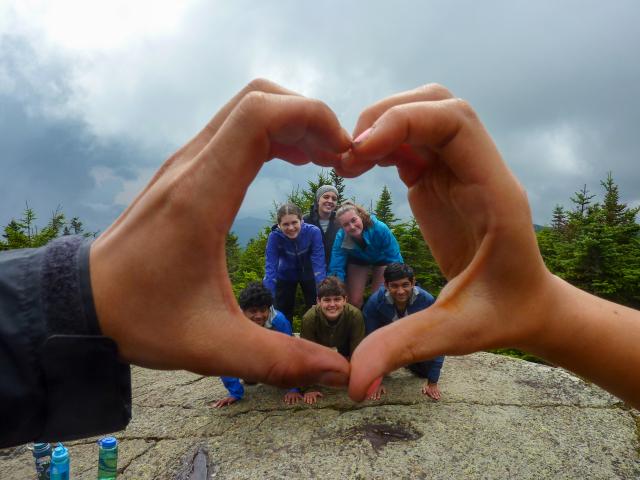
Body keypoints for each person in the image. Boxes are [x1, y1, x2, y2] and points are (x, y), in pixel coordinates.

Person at [1, 79, 639, 449]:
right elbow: (321, 258)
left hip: (377, 260)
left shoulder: (374, 229)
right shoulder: (320, 233)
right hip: (342, 264)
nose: (340, 210)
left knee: (365, 287)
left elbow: (370, 253)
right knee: (332, 284)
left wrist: (75, 296)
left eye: (344, 207)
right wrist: (549, 312)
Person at [362, 263, 444, 401]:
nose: (400, 291)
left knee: (425, 371)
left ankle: (408, 363)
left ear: (413, 282)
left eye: (405, 285)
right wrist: (375, 381)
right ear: (386, 285)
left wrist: (433, 382)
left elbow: (439, 340)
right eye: (394, 286)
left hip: (413, 343)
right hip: (386, 346)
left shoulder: (426, 300)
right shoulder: (375, 303)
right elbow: (369, 342)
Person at [212, 282, 303, 407]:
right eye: (253, 311)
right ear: (243, 311)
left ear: (269, 308)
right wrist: (234, 393)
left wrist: (293, 388)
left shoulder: (279, 321)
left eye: (263, 310)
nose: (259, 316)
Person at [300, 276, 365, 404]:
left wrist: (359, 381)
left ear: (345, 300)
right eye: (327, 300)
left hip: (345, 346)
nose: (332, 305)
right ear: (318, 301)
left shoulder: (355, 315)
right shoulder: (309, 318)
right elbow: (305, 356)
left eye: (337, 299)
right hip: (318, 348)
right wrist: (309, 388)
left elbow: (358, 353)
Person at [328, 201, 403, 308]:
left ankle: (377, 323)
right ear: (342, 227)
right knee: (354, 301)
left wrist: (400, 277)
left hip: (382, 260)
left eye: (354, 220)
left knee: (379, 298)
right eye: (346, 224)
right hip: (358, 260)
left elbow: (394, 255)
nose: (352, 226)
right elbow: (336, 265)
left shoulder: (380, 228)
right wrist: (333, 288)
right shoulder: (341, 237)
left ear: (360, 216)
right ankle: (356, 322)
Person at [264, 203, 326, 324]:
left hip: (309, 274)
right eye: (285, 224)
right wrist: (268, 298)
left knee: (316, 309)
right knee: (282, 311)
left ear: (301, 220)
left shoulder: (313, 232)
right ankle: (284, 338)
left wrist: (322, 292)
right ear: (279, 225)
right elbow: (270, 268)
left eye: (294, 222)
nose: (291, 228)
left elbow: (319, 263)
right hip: (285, 275)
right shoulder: (274, 237)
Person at [303, 185, 341, 267]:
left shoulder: (340, 222)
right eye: (326, 197)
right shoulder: (305, 220)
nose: (330, 201)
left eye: (334, 199)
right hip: (309, 273)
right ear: (318, 200)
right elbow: (288, 227)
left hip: (334, 273)